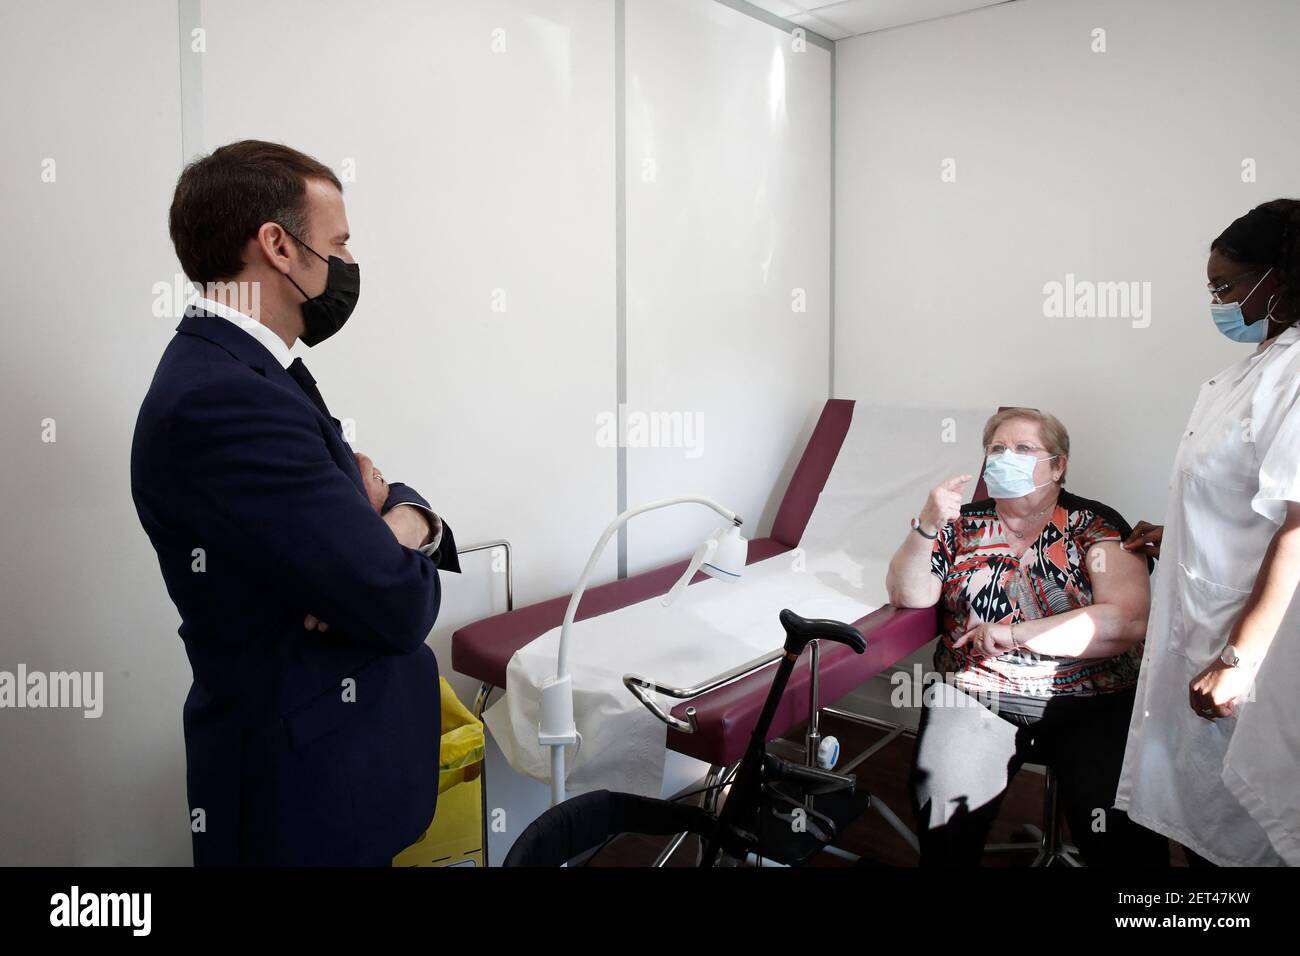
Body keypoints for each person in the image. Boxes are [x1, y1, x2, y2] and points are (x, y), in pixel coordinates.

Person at [131, 140, 461, 865]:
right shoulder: (224, 399)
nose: (347, 262)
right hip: (303, 799)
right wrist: (377, 540)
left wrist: (406, 520)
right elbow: (395, 605)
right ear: (278, 246)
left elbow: (371, 519)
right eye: (338, 241)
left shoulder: (255, 371)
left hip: (335, 776)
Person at [887, 408, 1168, 865]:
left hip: (1092, 699)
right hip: (977, 694)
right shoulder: (961, 524)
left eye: (1023, 449)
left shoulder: (1093, 524)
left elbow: (1126, 622)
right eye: (996, 449)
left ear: (1058, 465)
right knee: (944, 816)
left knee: (1119, 834)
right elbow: (909, 594)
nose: (1005, 457)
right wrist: (927, 524)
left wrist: (1016, 634)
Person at [1117, 199, 1300, 866]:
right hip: (1209, 616)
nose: (1217, 302)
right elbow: (1244, 493)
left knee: (1256, 824)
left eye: (1225, 287)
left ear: (1275, 281)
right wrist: (1183, 531)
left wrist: (1239, 660)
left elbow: (1298, 528)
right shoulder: (1247, 373)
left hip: (1257, 646)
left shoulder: (1296, 372)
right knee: (1205, 818)